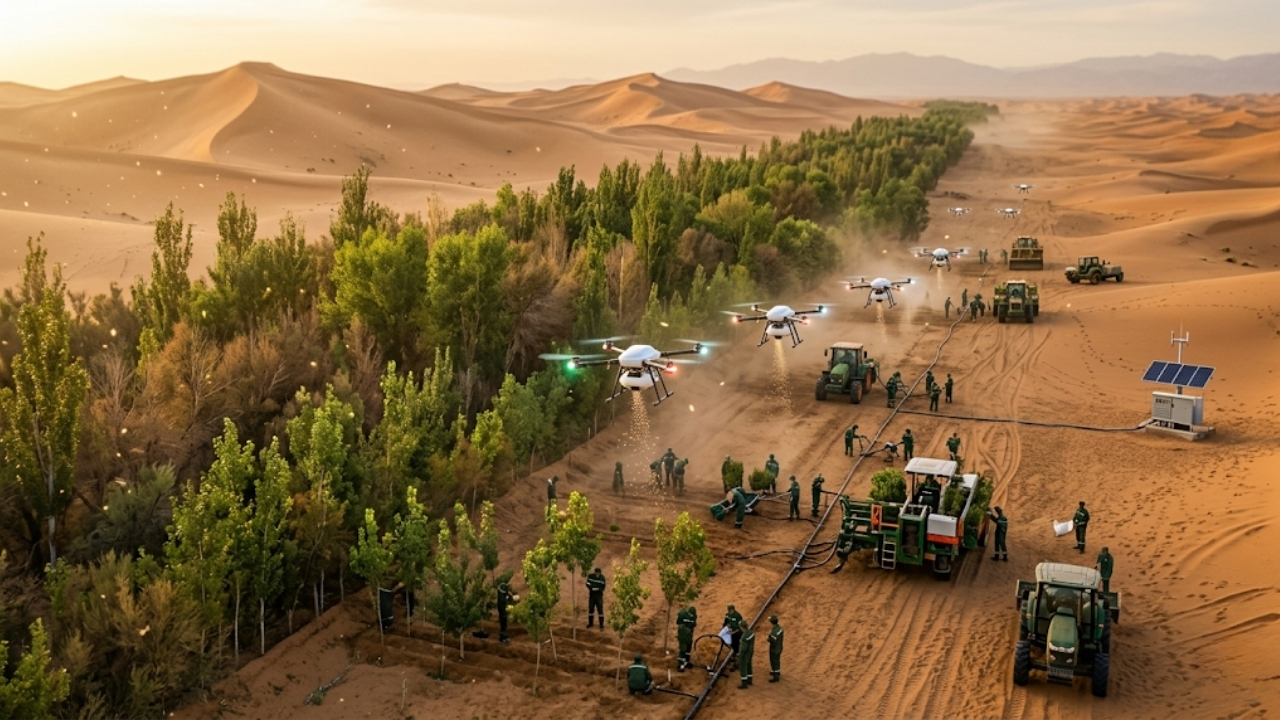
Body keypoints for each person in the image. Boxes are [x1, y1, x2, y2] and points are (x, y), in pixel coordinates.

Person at [676, 605, 698, 671]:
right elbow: (679, 624)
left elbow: (694, 625)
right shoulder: (683, 616)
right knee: (683, 649)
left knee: (688, 649)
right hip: (683, 636)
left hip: (689, 636)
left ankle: (687, 661)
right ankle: (680, 664)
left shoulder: (693, 617)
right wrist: (685, 629)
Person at [737, 624, 756, 689]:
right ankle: (749, 680)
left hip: (744, 654)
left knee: (743, 667)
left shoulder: (744, 636)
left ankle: (744, 684)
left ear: (742, 627)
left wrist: (740, 655)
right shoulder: (751, 633)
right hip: (750, 652)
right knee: (749, 665)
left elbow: (743, 648)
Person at [767, 615, 784, 682]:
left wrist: (768, 639)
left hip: (774, 649)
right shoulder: (779, 628)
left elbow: (772, 640)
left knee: (774, 661)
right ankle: (777, 672)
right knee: (777, 660)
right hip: (779, 647)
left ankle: (776, 676)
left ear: (772, 623)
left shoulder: (774, 632)